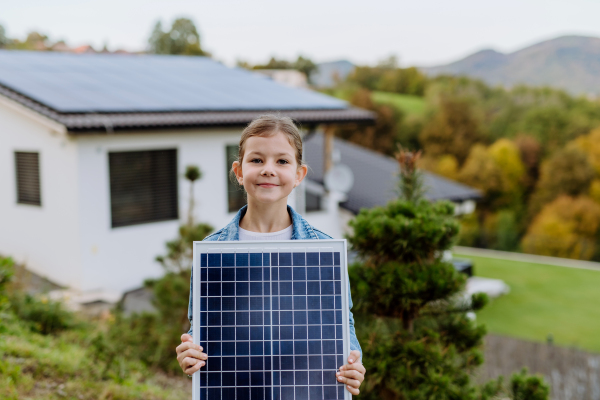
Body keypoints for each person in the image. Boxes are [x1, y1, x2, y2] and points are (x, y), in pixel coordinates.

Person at [175, 115, 365, 395]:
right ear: (238, 172)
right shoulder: (213, 252)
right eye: (256, 160)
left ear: (299, 174)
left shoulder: (324, 251)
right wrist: (189, 353)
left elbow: (340, 323)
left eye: (282, 161)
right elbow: (203, 326)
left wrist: (353, 361)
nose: (268, 170)